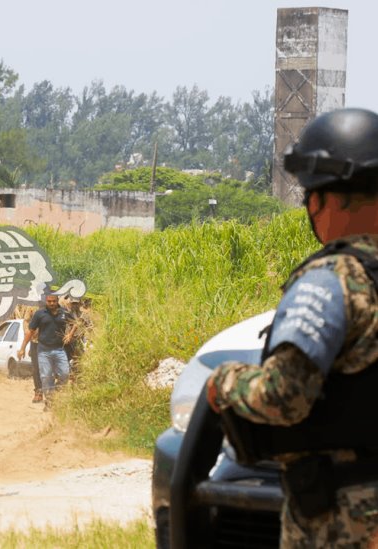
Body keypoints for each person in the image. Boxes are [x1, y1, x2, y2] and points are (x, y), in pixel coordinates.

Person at [205, 107, 378, 547]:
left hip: (345, 517)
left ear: (321, 200)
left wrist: (225, 383)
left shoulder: (333, 278)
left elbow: (285, 397)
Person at [18, 293, 71, 406]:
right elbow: (29, 329)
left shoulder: (64, 312)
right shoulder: (38, 312)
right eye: (49, 301)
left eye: (54, 301)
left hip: (59, 349)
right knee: (44, 374)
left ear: (57, 301)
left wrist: (70, 334)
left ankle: (54, 391)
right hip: (41, 347)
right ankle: (46, 397)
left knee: (65, 374)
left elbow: (74, 322)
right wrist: (22, 348)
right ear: (45, 301)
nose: (51, 303)